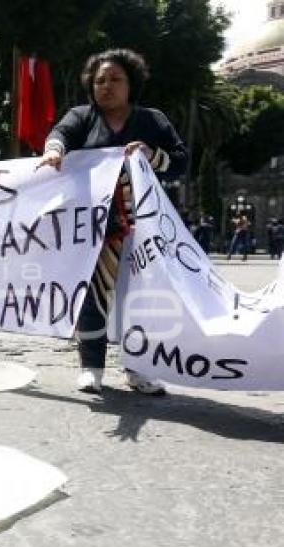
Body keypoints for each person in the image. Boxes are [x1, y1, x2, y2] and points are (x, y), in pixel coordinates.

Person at [37, 49, 188, 395]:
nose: (106, 86)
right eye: (99, 80)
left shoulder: (152, 121)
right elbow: (59, 134)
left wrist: (153, 155)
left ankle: (139, 370)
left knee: (142, 299)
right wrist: (54, 151)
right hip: (94, 228)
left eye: (115, 79)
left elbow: (180, 161)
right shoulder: (81, 117)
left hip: (144, 229)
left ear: (130, 84)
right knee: (92, 296)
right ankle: (91, 367)